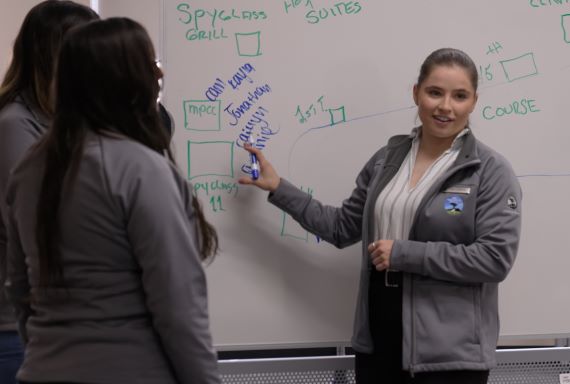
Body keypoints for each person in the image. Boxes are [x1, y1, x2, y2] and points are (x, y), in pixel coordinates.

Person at [239, 48, 522, 383]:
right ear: (416, 93)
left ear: (473, 101)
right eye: (435, 92)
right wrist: (279, 188)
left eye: (459, 96)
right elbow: (342, 227)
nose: (446, 106)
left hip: (448, 354)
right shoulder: (386, 160)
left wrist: (403, 254)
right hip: (379, 337)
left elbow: (494, 259)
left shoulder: (489, 171)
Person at [4, 17, 220, 384]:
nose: (160, 73)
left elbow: (19, 288)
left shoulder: (30, 167)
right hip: (130, 371)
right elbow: (178, 305)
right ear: (127, 77)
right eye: (150, 63)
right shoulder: (140, 169)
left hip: (42, 368)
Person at [0, 2, 98, 383]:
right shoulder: (16, 124)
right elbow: (37, 225)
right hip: (16, 330)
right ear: (56, 57)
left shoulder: (60, 121)